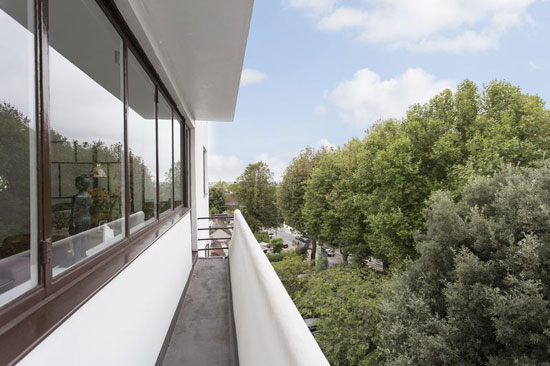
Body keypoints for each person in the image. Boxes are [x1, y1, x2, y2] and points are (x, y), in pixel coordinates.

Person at [67, 175, 92, 263]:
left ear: (80, 184)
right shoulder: (89, 196)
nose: (75, 184)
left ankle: (77, 256)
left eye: (76, 182)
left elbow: (74, 211)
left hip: (79, 220)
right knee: (84, 237)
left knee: (76, 238)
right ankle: (83, 254)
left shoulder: (77, 197)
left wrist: (72, 222)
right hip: (87, 218)